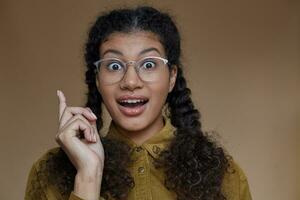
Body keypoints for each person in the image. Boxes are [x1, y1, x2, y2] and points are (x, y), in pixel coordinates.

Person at [25, 6, 252, 200]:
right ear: (97, 79)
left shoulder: (224, 175)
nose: (131, 81)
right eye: (114, 66)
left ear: (172, 76)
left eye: (149, 64)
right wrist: (88, 176)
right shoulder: (49, 175)